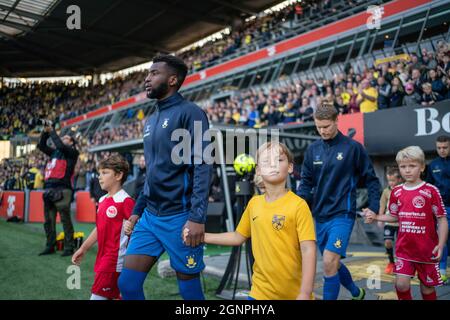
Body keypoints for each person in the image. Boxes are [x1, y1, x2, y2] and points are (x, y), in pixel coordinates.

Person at [117, 55, 212, 300]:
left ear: (172, 79)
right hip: (150, 218)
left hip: (180, 218)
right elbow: (152, 173)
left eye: (154, 73)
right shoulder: (150, 120)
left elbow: (203, 164)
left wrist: (196, 217)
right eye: (148, 73)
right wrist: (138, 210)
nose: (147, 78)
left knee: (189, 292)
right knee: (127, 284)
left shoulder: (192, 113)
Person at [199, 142, 316, 300]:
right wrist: (202, 236)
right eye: (267, 162)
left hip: (293, 294)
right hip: (259, 293)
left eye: (279, 160)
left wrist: (305, 292)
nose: (273, 165)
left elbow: (309, 250)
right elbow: (238, 237)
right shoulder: (254, 204)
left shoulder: (299, 205)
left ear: (290, 167)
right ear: (259, 170)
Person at [297, 104, 381, 300]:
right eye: (319, 127)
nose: (322, 131)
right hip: (319, 216)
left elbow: (372, 179)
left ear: (336, 121)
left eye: (326, 126)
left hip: (343, 214)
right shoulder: (312, 149)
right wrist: (298, 206)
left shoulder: (353, 148)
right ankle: (356, 293)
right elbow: (306, 183)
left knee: (328, 260)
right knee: (332, 262)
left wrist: (374, 207)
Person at [365, 146, 448, 300]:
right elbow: (394, 216)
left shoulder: (431, 191)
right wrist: (376, 216)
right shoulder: (396, 192)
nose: (407, 170)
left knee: (427, 287)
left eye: (412, 166)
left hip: (426, 251)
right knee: (401, 285)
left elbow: (442, 219)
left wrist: (441, 245)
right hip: (404, 249)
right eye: (403, 167)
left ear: (422, 167)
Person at [72, 155, 135, 300]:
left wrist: (132, 228)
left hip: (114, 262)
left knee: (98, 296)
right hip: (103, 259)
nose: (100, 177)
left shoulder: (126, 201)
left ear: (118, 175)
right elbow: (99, 228)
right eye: (99, 173)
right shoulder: (102, 200)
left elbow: (137, 230)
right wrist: (83, 248)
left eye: (105, 173)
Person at [37, 126, 79, 257]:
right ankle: (50, 245)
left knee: (65, 220)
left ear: (72, 142)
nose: (63, 139)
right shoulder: (55, 152)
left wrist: (52, 132)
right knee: (48, 220)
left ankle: (69, 247)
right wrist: (45, 133)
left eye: (66, 138)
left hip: (63, 189)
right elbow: (41, 146)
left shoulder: (72, 153)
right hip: (49, 189)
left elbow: (61, 146)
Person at [426, 135, 450, 283]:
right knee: (442, 239)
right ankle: (442, 271)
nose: (442, 150)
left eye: (445, 147)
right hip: (441, 209)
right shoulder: (433, 165)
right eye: (439, 148)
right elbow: (428, 187)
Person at [378, 167, 403, 274]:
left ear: (399, 179)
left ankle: (401, 264)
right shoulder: (386, 191)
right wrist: (380, 218)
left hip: (401, 222)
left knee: (401, 245)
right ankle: (391, 262)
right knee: (388, 242)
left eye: (393, 180)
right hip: (389, 221)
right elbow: (382, 206)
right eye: (389, 180)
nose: (391, 183)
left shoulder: (404, 190)